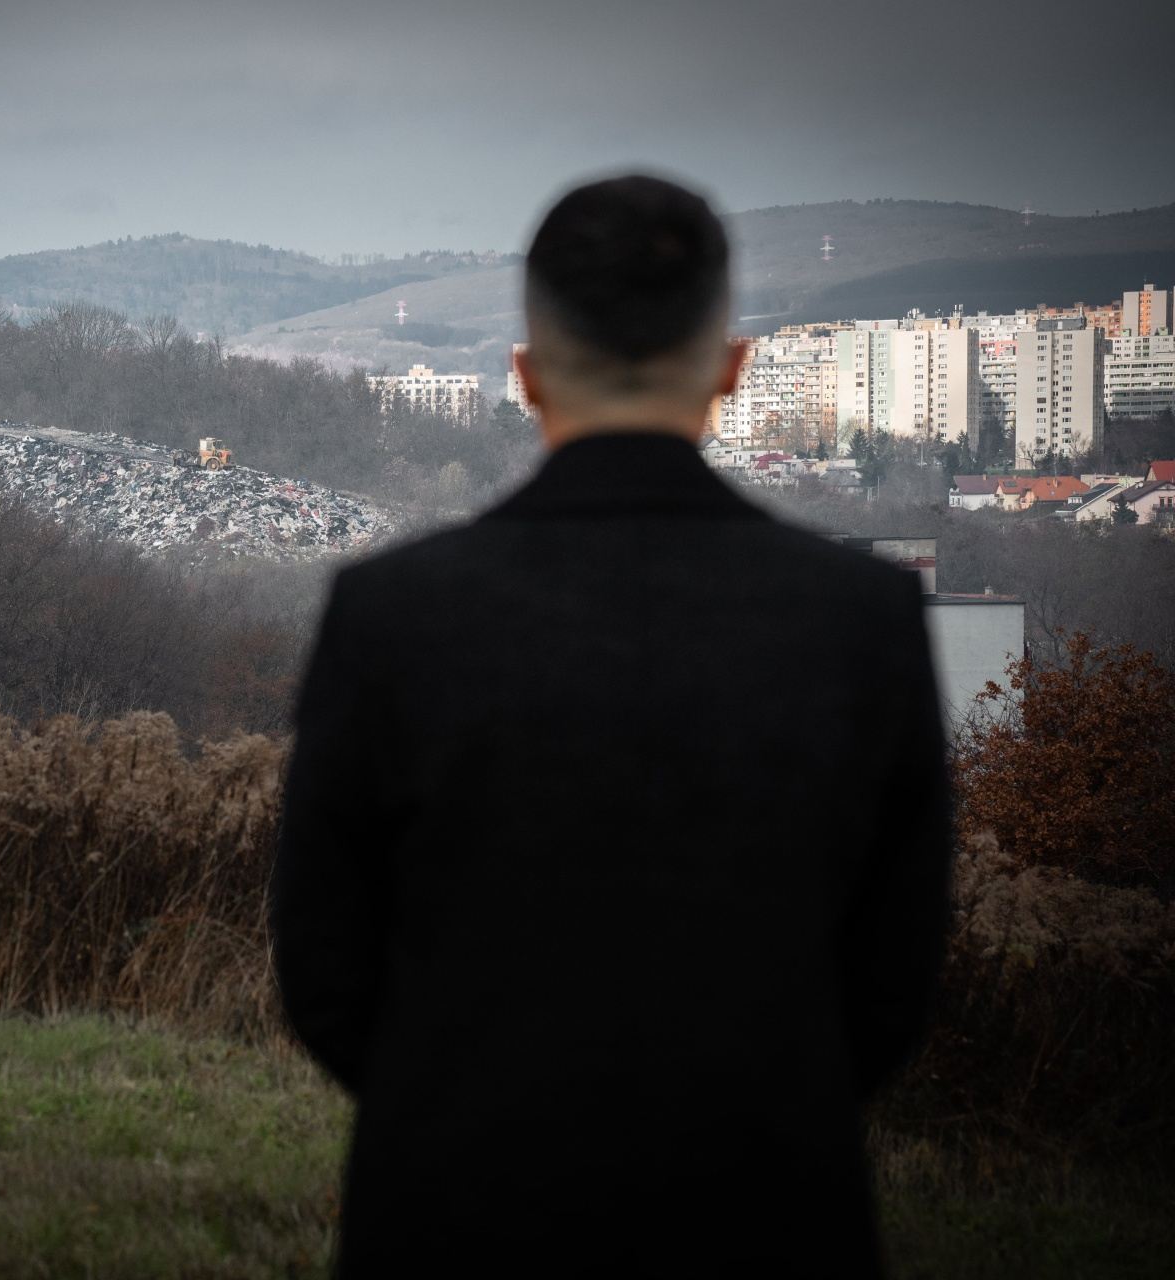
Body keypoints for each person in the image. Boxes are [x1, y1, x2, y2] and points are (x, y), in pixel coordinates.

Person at [271, 174, 953, 1276]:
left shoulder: (391, 612)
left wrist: (453, 1102)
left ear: (527, 378)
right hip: (772, 1211)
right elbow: (891, 987)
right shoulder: (861, 620)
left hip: (451, 1209)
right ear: (730, 372)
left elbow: (323, 969)